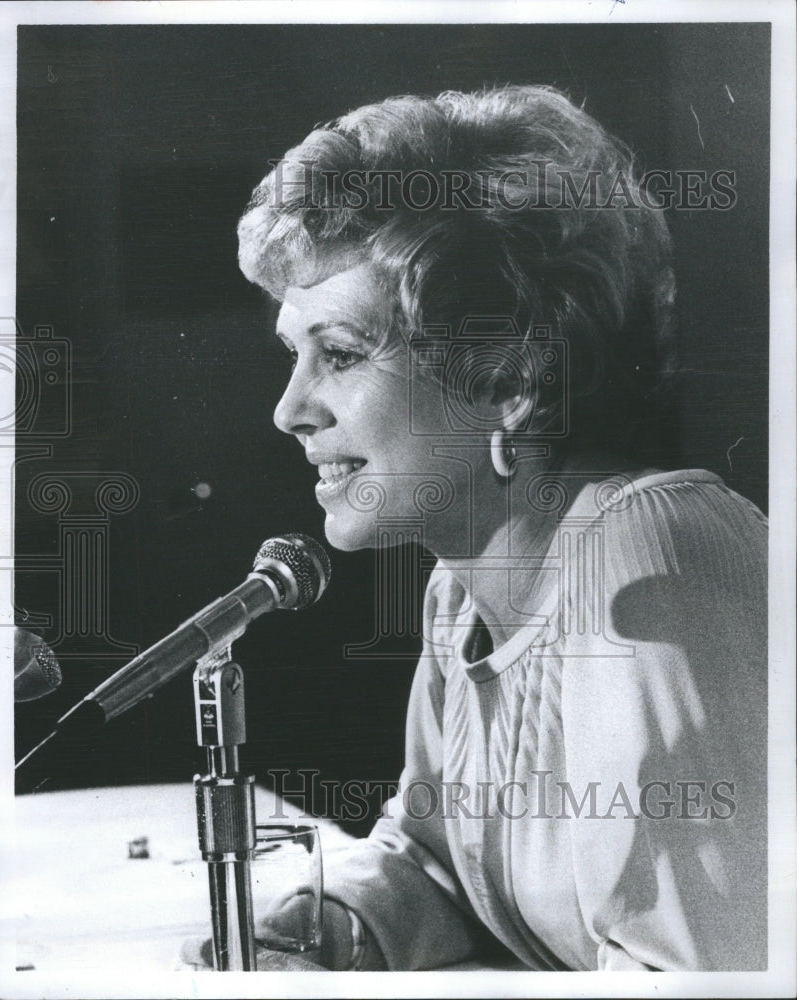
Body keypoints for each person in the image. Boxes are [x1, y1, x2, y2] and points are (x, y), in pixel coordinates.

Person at [231, 85, 767, 971]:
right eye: (295, 355)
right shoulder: (463, 588)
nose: (290, 410)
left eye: (342, 353)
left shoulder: (651, 555)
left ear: (510, 378)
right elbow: (440, 867)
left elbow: (715, 973)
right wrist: (336, 925)